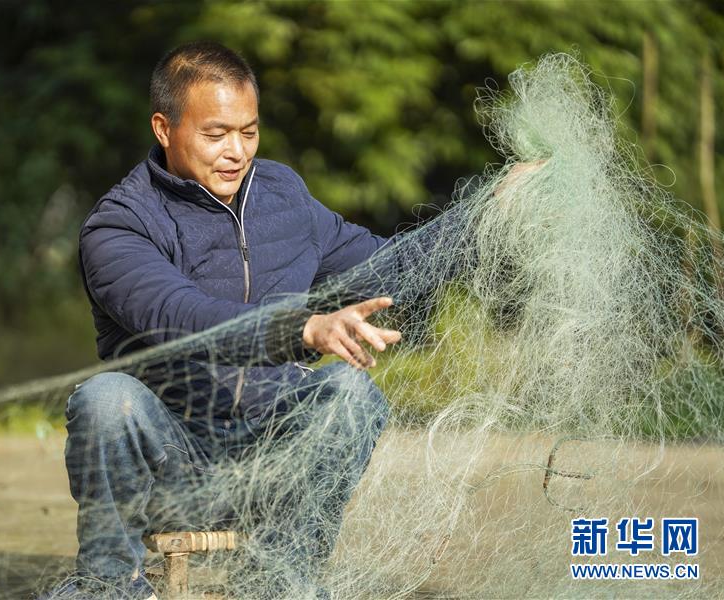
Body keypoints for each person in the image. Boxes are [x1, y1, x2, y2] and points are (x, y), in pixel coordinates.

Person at [53, 41, 468, 600]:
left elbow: (383, 265)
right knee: (107, 399)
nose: (236, 152)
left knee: (349, 390)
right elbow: (184, 316)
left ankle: (278, 583)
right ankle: (108, 586)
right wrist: (299, 328)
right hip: (173, 473)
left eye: (249, 132)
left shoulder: (283, 195)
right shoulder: (119, 226)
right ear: (163, 127)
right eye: (216, 133)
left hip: (274, 465)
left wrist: (484, 219)